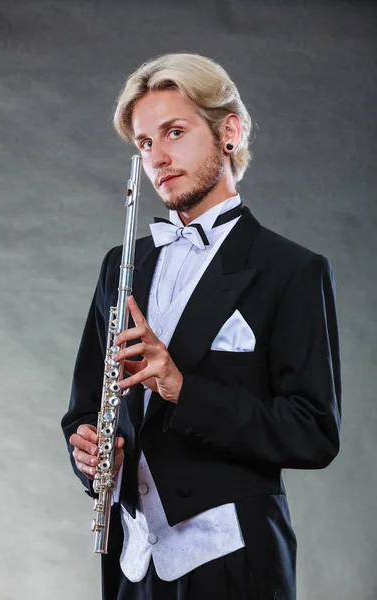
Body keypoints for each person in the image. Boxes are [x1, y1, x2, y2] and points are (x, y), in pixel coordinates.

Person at [61, 53, 341, 600]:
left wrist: (184, 389)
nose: (157, 157)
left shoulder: (292, 270)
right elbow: (85, 407)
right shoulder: (122, 266)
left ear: (228, 131)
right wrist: (97, 453)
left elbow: (313, 431)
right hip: (133, 565)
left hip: (234, 564)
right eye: (144, 143)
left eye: (174, 132)